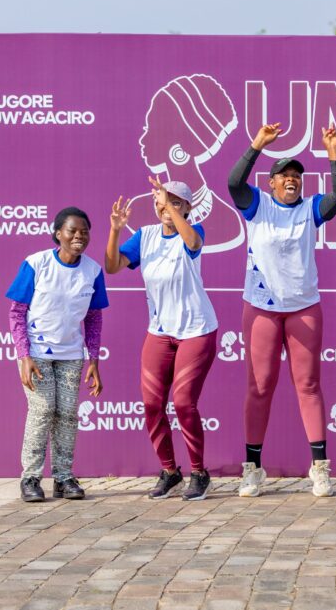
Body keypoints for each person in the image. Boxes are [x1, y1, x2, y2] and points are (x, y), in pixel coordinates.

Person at [227, 122, 336, 497]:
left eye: (297, 175)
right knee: (260, 386)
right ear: (272, 184)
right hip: (262, 308)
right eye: (284, 176)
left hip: (303, 308)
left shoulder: (311, 208)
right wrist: (257, 145)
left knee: (308, 385)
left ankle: (319, 468)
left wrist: (333, 152)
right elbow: (233, 183)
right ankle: (253, 470)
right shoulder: (258, 205)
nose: (292, 179)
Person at [106, 179, 219, 501]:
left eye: (175, 201)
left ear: (188, 207)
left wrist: (169, 204)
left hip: (196, 330)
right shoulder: (145, 236)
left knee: (183, 403)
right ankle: (170, 472)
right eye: (162, 201)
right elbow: (112, 267)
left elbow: (192, 242)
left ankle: (199, 473)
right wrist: (115, 230)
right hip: (159, 332)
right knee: (152, 404)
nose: (166, 207)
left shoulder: (194, 232)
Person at [7, 207, 107, 503]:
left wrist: (94, 360)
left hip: (71, 355)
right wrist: (24, 355)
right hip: (36, 353)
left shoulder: (93, 271)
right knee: (42, 411)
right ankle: (30, 478)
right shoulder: (36, 263)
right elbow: (17, 312)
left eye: (84, 232)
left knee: (67, 415)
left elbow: (94, 318)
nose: (79, 237)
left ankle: (64, 477)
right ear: (57, 233)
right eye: (72, 231)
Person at [128, 74, 244, 252]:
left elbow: (193, 243)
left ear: (179, 150)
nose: (142, 139)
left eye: (150, 129)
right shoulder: (137, 209)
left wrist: (167, 205)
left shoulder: (228, 221)